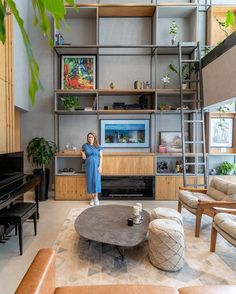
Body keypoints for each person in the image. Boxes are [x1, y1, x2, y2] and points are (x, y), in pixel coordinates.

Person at [81, 132, 103, 206]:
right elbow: (81, 150)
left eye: (92, 137)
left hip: (97, 166)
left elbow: (101, 157)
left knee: (96, 181)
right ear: (87, 138)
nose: (90, 138)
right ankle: (92, 198)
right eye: (89, 137)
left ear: (94, 138)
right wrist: (83, 153)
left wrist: (100, 166)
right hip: (89, 166)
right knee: (90, 181)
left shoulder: (98, 146)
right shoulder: (85, 145)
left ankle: (96, 198)